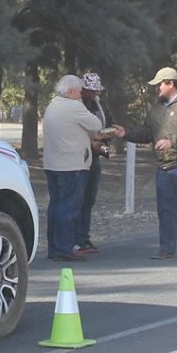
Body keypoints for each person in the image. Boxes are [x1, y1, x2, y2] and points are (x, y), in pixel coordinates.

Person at [119, 65, 177, 261]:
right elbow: (147, 132)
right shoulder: (156, 109)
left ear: (171, 84)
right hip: (163, 167)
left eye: (160, 84)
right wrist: (126, 133)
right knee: (165, 210)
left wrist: (171, 142)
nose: (157, 88)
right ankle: (166, 248)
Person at [41, 74, 103, 262]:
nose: (81, 95)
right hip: (71, 165)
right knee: (69, 207)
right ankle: (65, 247)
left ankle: (54, 246)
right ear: (70, 92)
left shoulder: (52, 105)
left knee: (55, 205)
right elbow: (97, 124)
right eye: (78, 92)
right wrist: (82, 106)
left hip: (53, 164)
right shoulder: (74, 106)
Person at [75, 72, 112, 254]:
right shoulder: (75, 106)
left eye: (97, 90)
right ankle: (73, 238)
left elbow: (108, 124)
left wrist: (104, 141)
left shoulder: (100, 105)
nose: (95, 93)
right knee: (77, 198)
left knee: (89, 199)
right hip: (77, 158)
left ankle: (83, 237)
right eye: (91, 90)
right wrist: (90, 142)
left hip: (94, 157)